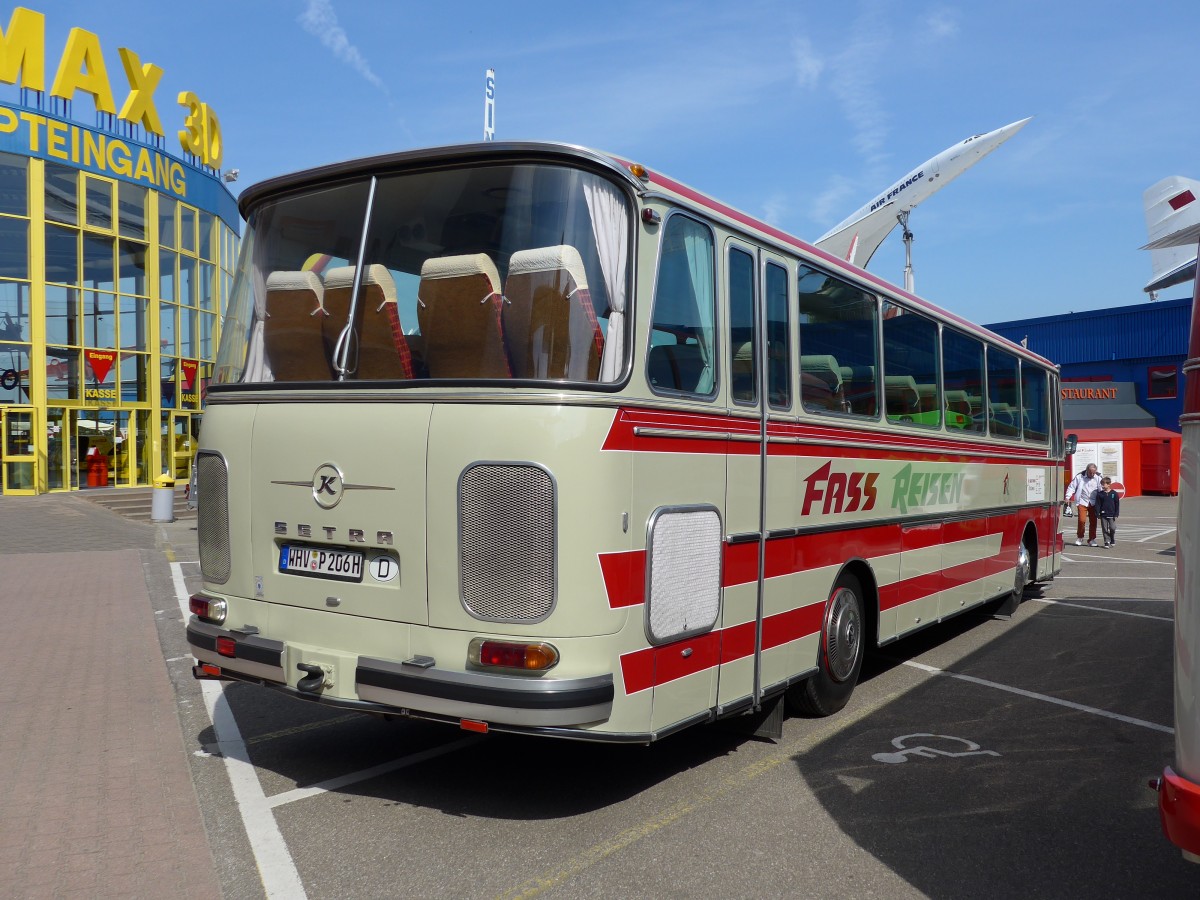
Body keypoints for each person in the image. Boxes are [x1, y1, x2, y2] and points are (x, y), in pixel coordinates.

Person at [1064, 462, 1103, 546]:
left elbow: (1101, 490)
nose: (1092, 474)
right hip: (1082, 501)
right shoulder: (1080, 477)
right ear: (1087, 470)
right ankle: (1080, 537)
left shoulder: (1098, 478)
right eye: (1090, 472)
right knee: (1082, 520)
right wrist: (1067, 497)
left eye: (1094, 473)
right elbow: (1072, 487)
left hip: (1093, 502)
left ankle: (1091, 539)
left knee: (1093, 521)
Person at [1095, 476, 1121, 548]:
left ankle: (1112, 538)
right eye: (1102, 484)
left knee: (1112, 528)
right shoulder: (1100, 494)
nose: (1102, 486)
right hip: (1103, 514)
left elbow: (1117, 504)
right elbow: (1098, 504)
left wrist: (1116, 513)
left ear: (1109, 484)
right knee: (1104, 528)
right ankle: (1106, 541)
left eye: (1104, 484)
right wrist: (1097, 513)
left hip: (1111, 514)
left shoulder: (1114, 493)